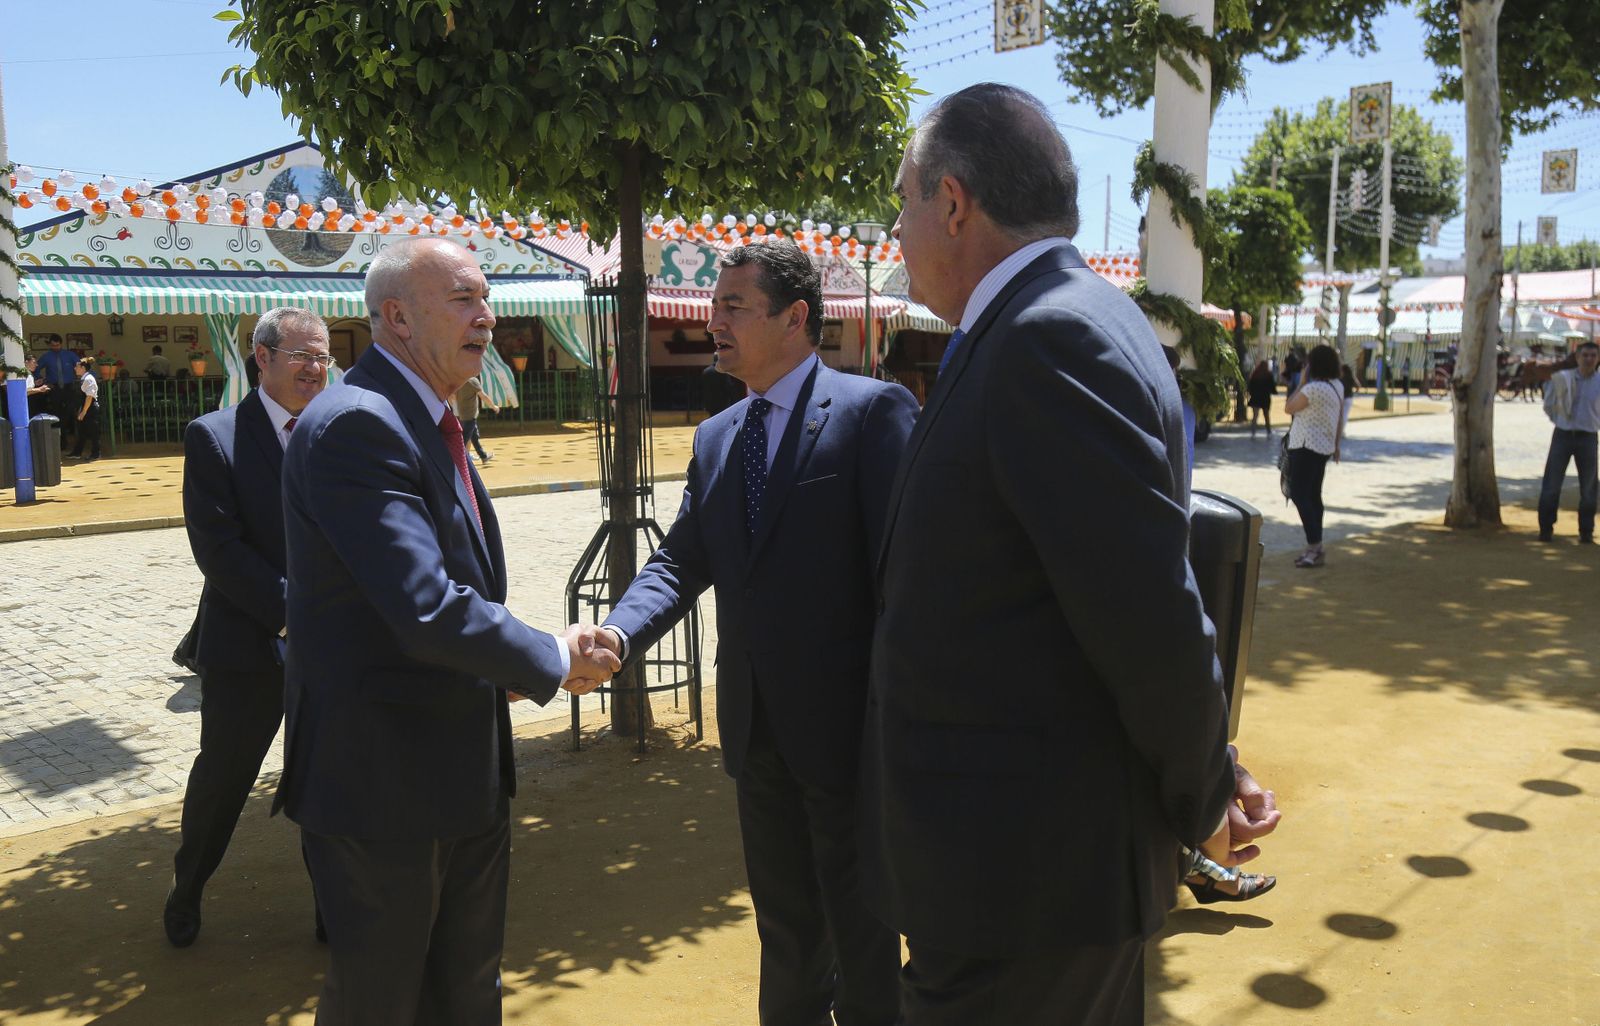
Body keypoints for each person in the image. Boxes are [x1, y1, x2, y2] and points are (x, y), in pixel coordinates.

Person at [860, 83, 1274, 1025]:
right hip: (1021, 871)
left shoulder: (1045, 338)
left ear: (953, 202)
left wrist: (1206, 791)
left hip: (1021, 884)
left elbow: (1148, 617)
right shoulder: (1073, 316)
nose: (898, 229)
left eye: (903, 202)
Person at [275, 237, 620, 1026]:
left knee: (463, 993)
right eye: (463, 298)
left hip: (454, 775)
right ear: (397, 316)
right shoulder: (360, 425)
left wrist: (516, 658)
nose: (488, 316)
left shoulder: (419, 419)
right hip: (384, 789)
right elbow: (425, 605)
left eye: (485, 297)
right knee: (382, 1001)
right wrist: (547, 654)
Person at [595, 240, 919, 1026]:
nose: (714, 324)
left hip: (850, 736)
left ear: (796, 317)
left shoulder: (874, 413)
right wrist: (618, 634)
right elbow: (681, 559)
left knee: (865, 933)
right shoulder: (718, 437)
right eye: (714, 308)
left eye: (733, 307)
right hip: (755, 731)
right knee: (786, 931)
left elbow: (907, 579)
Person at [164, 307, 333, 949]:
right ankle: (187, 889)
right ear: (261, 359)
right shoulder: (215, 437)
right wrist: (295, 611)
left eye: (322, 357)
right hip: (248, 645)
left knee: (327, 778)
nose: (315, 369)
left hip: (334, 648)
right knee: (223, 778)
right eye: (300, 356)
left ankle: (332, 907)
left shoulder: (341, 432)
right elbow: (219, 548)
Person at [1283, 344, 1345, 568]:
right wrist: (1337, 445)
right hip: (1324, 446)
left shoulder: (1313, 389)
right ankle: (1315, 546)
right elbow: (1338, 419)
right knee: (1314, 495)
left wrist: (1300, 382)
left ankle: (1314, 544)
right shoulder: (1337, 386)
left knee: (1299, 494)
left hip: (1305, 444)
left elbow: (1289, 408)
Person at [1537, 340, 1600, 543]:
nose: (1589, 359)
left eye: (1593, 355)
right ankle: (1546, 529)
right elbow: (1549, 403)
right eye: (1585, 355)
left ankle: (1586, 531)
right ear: (1577, 357)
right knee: (1551, 484)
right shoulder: (1563, 379)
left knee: (1589, 487)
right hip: (1562, 435)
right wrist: (1560, 421)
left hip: (1588, 437)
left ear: (1598, 359)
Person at [36, 334, 79, 446]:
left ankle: (67, 428)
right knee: (56, 414)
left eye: (57, 345)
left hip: (69, 387)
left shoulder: (69, 355)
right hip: (54, 388)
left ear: (61, 344)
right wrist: (42, 380)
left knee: (70, 410)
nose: (55, 347)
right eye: (53, 345)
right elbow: (36, 369)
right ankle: (61, 441)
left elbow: (81, 365)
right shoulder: (46, 356)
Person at [451, 374, 499, 464]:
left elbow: (453, 396)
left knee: (474, 437)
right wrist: (494, 406)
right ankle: (456, 461)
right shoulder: (472, 381)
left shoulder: (459, 380)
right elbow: (483, 396)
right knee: (464, 440)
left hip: (463, 414)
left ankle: (483, 456)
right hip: (470, 415)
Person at [68, 357, 101, 461]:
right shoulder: (84, 379)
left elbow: (89, 397)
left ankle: (96, 454)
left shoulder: (88, 379)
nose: (75, 368)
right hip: (86, 408)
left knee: (93, 432)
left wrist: (84, 411)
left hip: (90, 409)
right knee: (82, 431)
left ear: (83, 368)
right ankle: (77, 452)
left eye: (77, 366)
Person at [1247, 360, 1276, 436]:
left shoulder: (1255, 374)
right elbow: (1272, 387)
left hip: (1255, 397)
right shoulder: (1269, 375)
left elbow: (1250, 387)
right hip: (1265, 397)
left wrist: (1251, 393)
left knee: (1255, 416)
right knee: (1266, 415)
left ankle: (1253, 431)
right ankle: (1268, 431)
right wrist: (1274, 392)